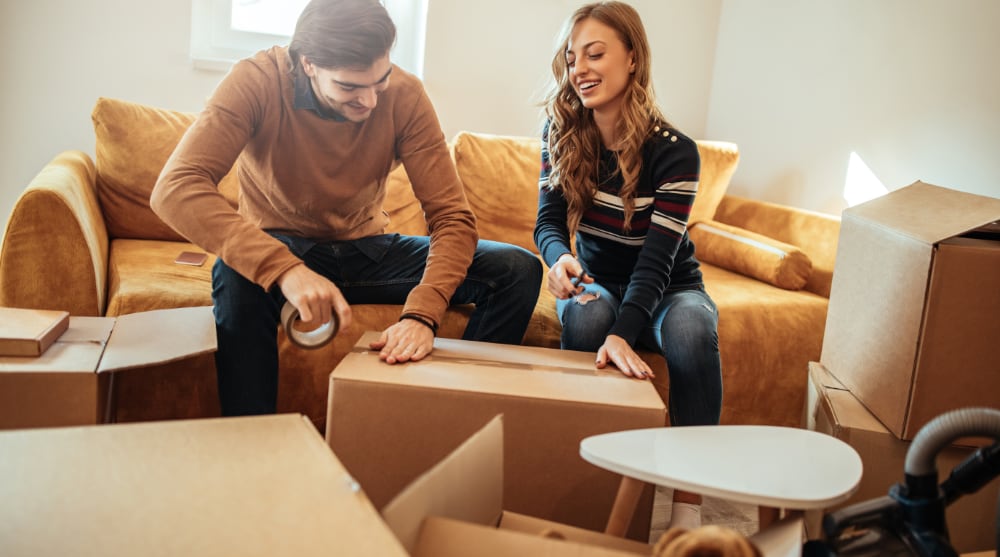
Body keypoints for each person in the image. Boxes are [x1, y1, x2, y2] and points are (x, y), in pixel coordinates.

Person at [151, 0, 541, 416]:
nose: (370, 101)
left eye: (380, 81)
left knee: (517, 270)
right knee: (233, 273)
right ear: (307, 65)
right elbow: (175, 188)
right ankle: (251, 444)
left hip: (367, 251)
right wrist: (284, 269)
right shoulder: (256, 81)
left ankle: (453, 419)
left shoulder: (405, 95)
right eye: (350, 88)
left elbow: (452, 218)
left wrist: (423, 315)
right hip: (282, 247)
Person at [535, 1, 722, 529]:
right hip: (598, 279)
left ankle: (688, 503)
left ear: (633, 58)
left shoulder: (676, 153)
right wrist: (560, 257)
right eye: (573, 59)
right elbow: (547, 223)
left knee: (689, 327)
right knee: (591, 317)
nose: (580, 70)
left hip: (670, 286)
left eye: (596, 54)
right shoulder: (560, 133)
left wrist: (625, 332)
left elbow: (659, 262)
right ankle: (591, 482)